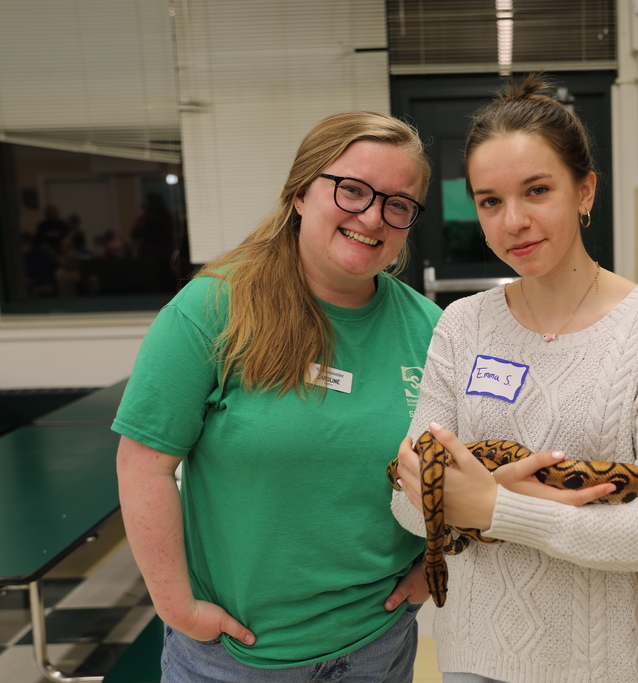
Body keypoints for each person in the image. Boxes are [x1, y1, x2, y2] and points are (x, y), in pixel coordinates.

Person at [391, 75, 638, 683]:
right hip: (475, 656)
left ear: (585, 190)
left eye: (537, 190)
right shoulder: (461, 326)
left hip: (612, 663)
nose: (513, 221)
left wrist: (492, 506)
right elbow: (404, 504)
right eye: (489, 200)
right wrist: (493, 500)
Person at [114, 111, 442, 683]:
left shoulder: (432, 329)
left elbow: (457, 469)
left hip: (377, 646)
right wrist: (176, 607)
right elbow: (144, 463)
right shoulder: (213, 309)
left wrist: (432, 566)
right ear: (299, 193)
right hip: (235, 659)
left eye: (397, 203)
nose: (372, 216)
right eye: (352, 190)